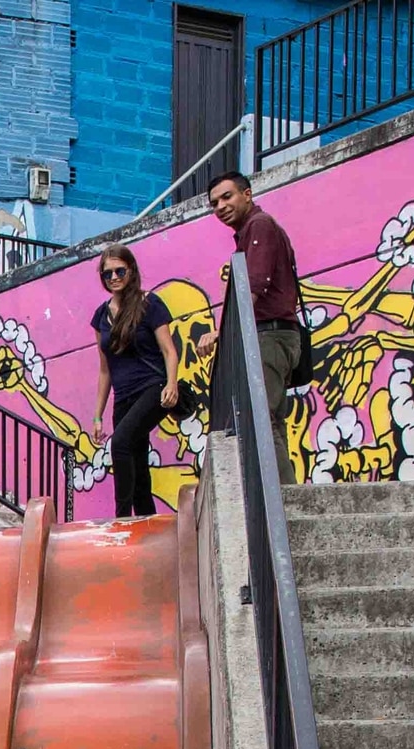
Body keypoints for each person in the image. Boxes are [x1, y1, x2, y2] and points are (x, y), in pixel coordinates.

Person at [209, 170, 305, 456]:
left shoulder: (259, 225)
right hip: (276, 335)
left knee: (262, 421)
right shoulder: (254, 228)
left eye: (227, 197)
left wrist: (221, 333)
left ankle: (279, 486)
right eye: (214, 203)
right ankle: (283, 485)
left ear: (247, 194)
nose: (221, 207)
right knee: (271, 421)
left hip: (269, 335)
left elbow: (253, 286)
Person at [92, 245, 188, 520]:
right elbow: (105, 370)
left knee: (120, 444)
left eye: (119, 271)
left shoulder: (149, 304)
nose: (114, 277)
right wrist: (97, 416)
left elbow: (169, 350)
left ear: (131, 270)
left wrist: (171, 384)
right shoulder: (101, 316)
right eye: (107, 273)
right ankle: (147, 522)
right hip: (122, 397)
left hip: (152, 389)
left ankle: (121, 519)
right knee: (136, 460)